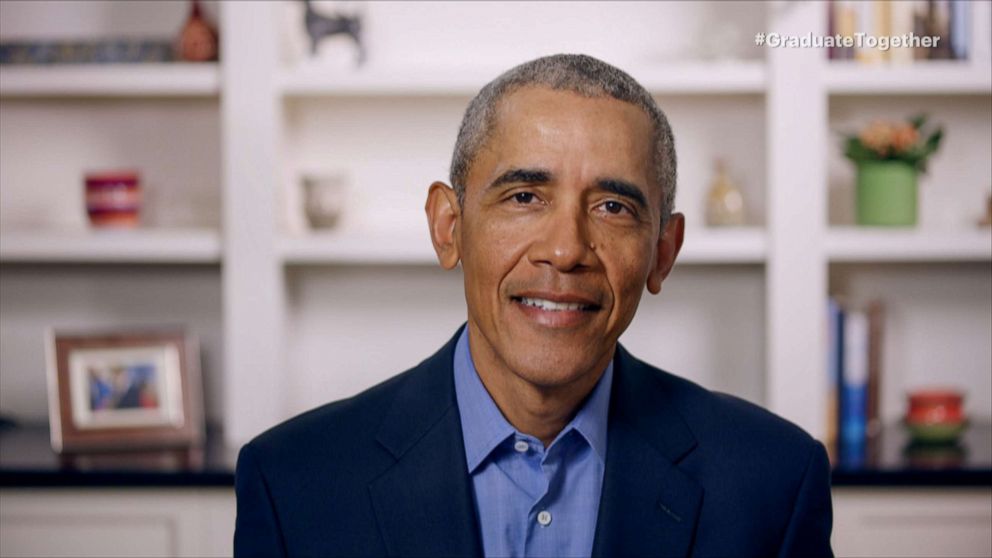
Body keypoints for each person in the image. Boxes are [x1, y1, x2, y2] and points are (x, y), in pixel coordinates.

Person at [234, 54, 833, 558]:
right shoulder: (293, 484)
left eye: (613, 208)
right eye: (525, 196)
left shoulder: (774, 483)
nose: (567, 249)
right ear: (449, 227)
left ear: (662, 253)